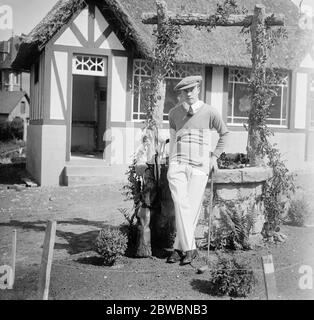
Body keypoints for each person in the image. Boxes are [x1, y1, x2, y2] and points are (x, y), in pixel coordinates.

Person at [166, 75, 229, 264]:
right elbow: (173, 141)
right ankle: (191, 248)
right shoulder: (174, 113)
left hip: (200, 167)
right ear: (181, 93)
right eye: (185, 90)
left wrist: (214, 156)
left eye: (192, 89)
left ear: (198, 89)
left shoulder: (210, 112)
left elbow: (224, 134)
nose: (189, 93)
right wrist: (171, 162)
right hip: (178, 164)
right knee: (180, 203)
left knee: (190, 209)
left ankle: (179, 248)